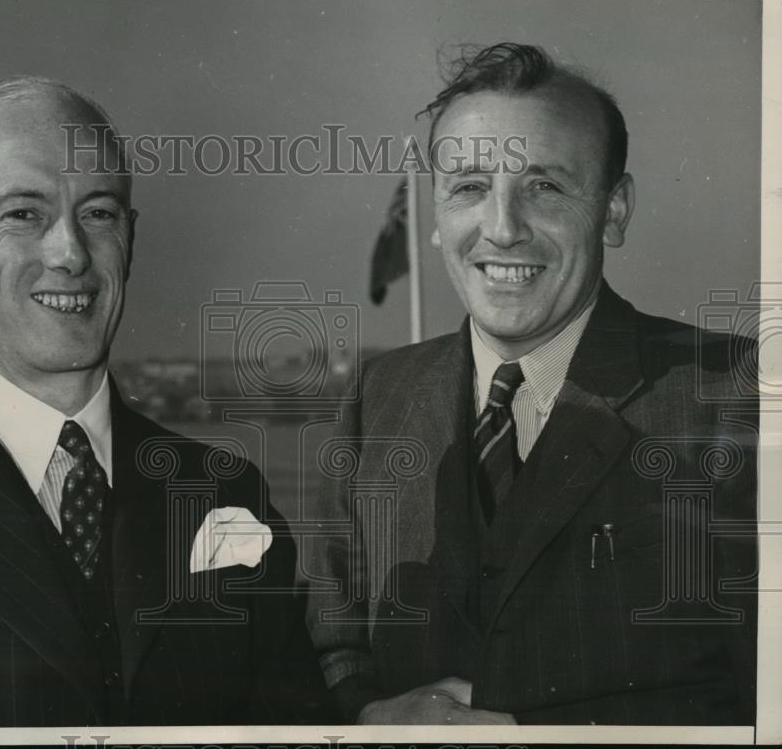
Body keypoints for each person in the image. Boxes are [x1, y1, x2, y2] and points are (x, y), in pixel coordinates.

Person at [0, 76, 334, 727]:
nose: (69, 252)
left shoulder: (228, 496)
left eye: (98, 213)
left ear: (130, 237)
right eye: (24, 213)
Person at [303, 43, 758, 725]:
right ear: (434, 213)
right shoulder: (377, 397)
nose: (503, 228)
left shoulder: (736, 399)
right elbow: (332, 645)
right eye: (469, 187)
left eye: (544, 186)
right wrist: (370, 713)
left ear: (613, 208)